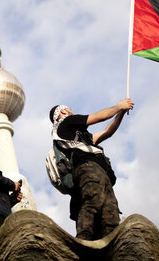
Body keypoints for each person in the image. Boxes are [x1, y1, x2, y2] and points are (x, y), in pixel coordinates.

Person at [49, 98, 134, 240]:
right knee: (93, 201)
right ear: (63, 111)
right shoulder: (67, 122)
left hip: (100, 170)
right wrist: (119, 107)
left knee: (110, 210)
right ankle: (83, 241)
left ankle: (110, 244)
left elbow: (107, 131)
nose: (71, 110)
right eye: (69, 108)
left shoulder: (80, 137)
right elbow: (99, 117)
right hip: (88, 168)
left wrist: (121, 112)